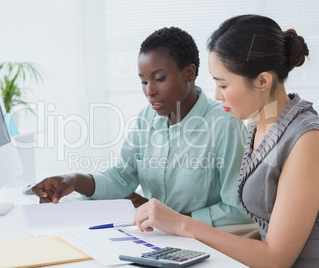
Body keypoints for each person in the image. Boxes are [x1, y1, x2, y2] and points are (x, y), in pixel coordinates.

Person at [132, 14, 319, 267]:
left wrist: (181, 223)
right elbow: (268, 232)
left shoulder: (308, 141)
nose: (216, 96)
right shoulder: (260, 125)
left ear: (263, 81)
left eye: (223, 85)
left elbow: (276, 258)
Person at [32, 26, 253, 227]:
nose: (150, 91)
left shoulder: (224, 124)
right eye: (144, 81)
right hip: (154, 234)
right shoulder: (147, 118)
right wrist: (73, 180)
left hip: (205, 242)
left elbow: (239, 209)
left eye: (159, 78)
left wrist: (172, 219)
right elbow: (122, 177)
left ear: (189, 73)